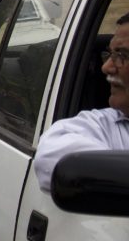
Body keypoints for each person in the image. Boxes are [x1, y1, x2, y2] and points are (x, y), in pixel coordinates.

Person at [33, 13, 129, 192]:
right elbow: (52, 156)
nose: (106, 66)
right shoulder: (101, 126)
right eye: (109, 53)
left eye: (122, 55)